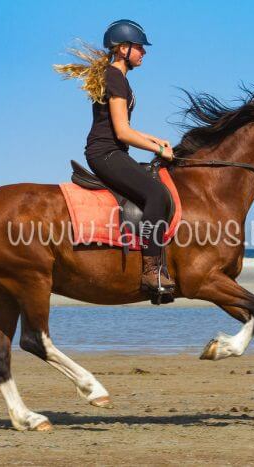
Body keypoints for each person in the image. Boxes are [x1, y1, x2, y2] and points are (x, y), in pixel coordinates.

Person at [54, 19, 175, 294]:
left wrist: (153, 138)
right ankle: (151, 270)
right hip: (106, 153)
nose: (144, 53)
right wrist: (157, 150)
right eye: (140, 48)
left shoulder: (116, 77)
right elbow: (121, 132)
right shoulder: (115, 78)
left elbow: (123, 127)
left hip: (112, 151)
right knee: (156, 195)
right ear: (123, 49)